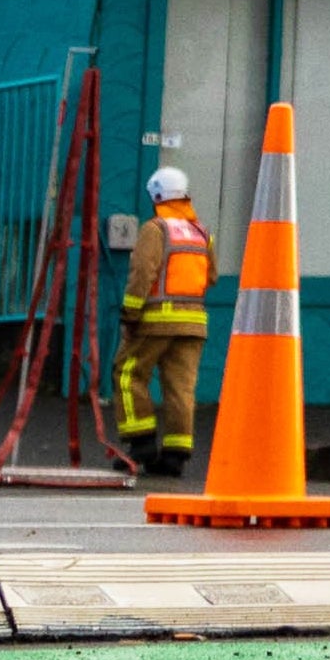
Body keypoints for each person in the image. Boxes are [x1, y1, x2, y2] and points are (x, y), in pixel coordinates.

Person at [116, 166, 213, 479]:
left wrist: (130, 314)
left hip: (156, 320)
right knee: (181, 389)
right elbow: (211, 276)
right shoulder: (202, 232)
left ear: (157, 196)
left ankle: (141, 442)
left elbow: (142, 274)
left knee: (127, 374)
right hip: (194, 323)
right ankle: (175, 456)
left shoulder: (155, 229)